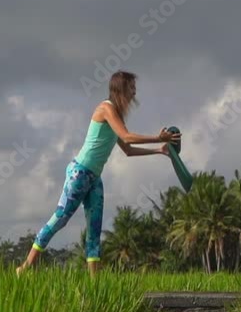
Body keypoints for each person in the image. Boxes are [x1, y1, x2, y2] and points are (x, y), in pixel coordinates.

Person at [16, 71, 180, 276]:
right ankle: (25, 267)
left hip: (94, 178)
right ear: (120, 89)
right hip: (79, 173)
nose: (134, 92)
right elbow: (127, 137)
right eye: (131, 87)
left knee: (94, 231)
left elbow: (128, 150)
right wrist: (158, 138)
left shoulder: (117, 116)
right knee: (61, 218)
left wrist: (159, 150)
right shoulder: (106, 109)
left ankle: (95, 283)